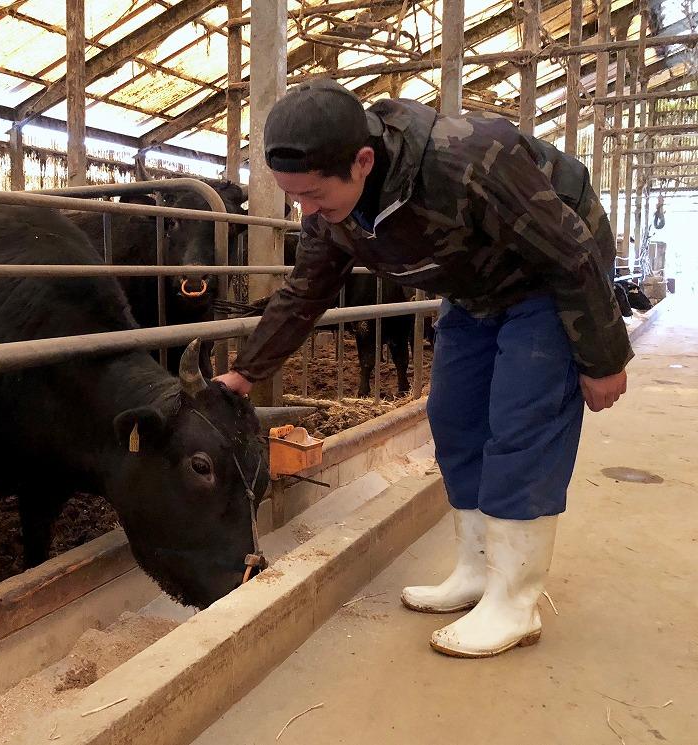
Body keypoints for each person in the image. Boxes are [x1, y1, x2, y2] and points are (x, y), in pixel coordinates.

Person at [214, 79, 631, 658]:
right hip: (470, 289)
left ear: (362, 161)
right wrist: (241, 375)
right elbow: (305, 292)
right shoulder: (333, 211)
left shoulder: (468, 160)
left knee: (521, 422)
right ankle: (476, 571)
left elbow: (571, 254)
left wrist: (603, 357)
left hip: (547, 283)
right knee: (454, 416)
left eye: (312, 194)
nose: (305, 211)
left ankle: (515, 601)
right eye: (295, 198)